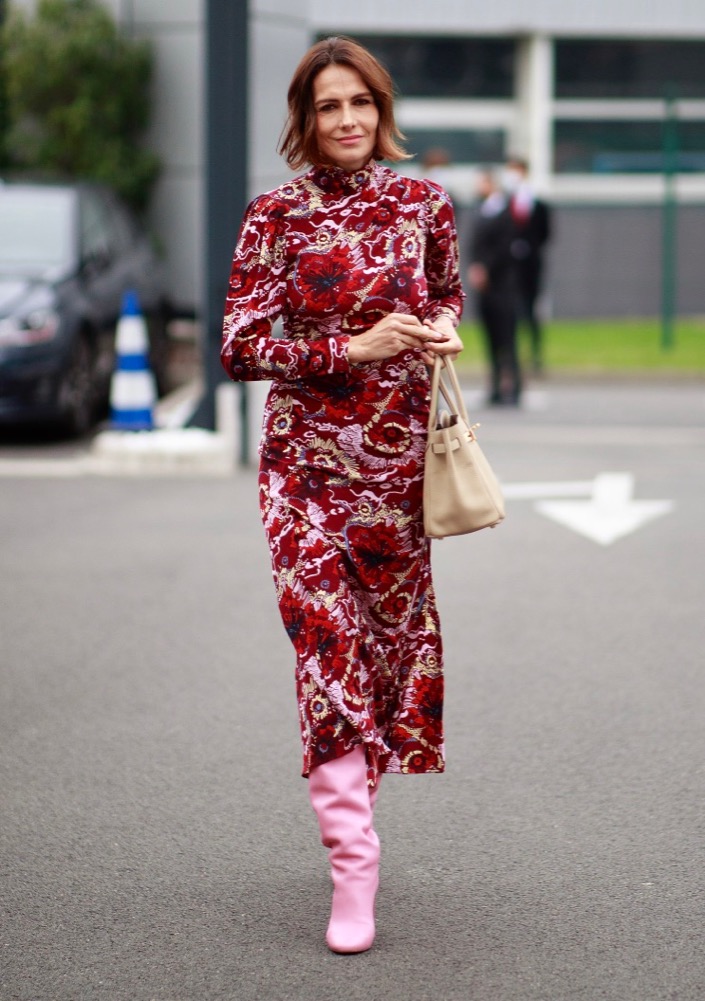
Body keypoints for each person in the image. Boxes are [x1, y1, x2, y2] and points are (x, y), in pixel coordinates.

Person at [221, 36, 464, 954]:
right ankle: (352, 871)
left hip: (400, 478)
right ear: (306, 119)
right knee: (328, 656)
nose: (348, 119)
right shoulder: (273, 216)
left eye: (359, 101)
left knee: (385, 660)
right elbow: (240, 343)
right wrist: (343, 351)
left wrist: (438, 329)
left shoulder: (423, 204)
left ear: (381, 109)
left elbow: (446, 296)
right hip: (305, 476)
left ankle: (354, 829)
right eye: (328, 106)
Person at [467, 169, 521, 406]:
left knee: (506, 337)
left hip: (502, 285)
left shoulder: (505, 211)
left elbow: (503, 248)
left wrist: (485, 268)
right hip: (486, 286)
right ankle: (496, 385)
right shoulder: (482, 209)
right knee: (490, 337)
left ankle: (514, 385)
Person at [503, 156, 552, 374]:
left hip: (530, 264)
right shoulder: (504, 203)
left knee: (531, 309)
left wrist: (528, 247)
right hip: (507, 266)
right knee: (508, 310)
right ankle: (508, 355)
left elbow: (545, 233)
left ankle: (535, 354)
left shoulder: (536, 203)